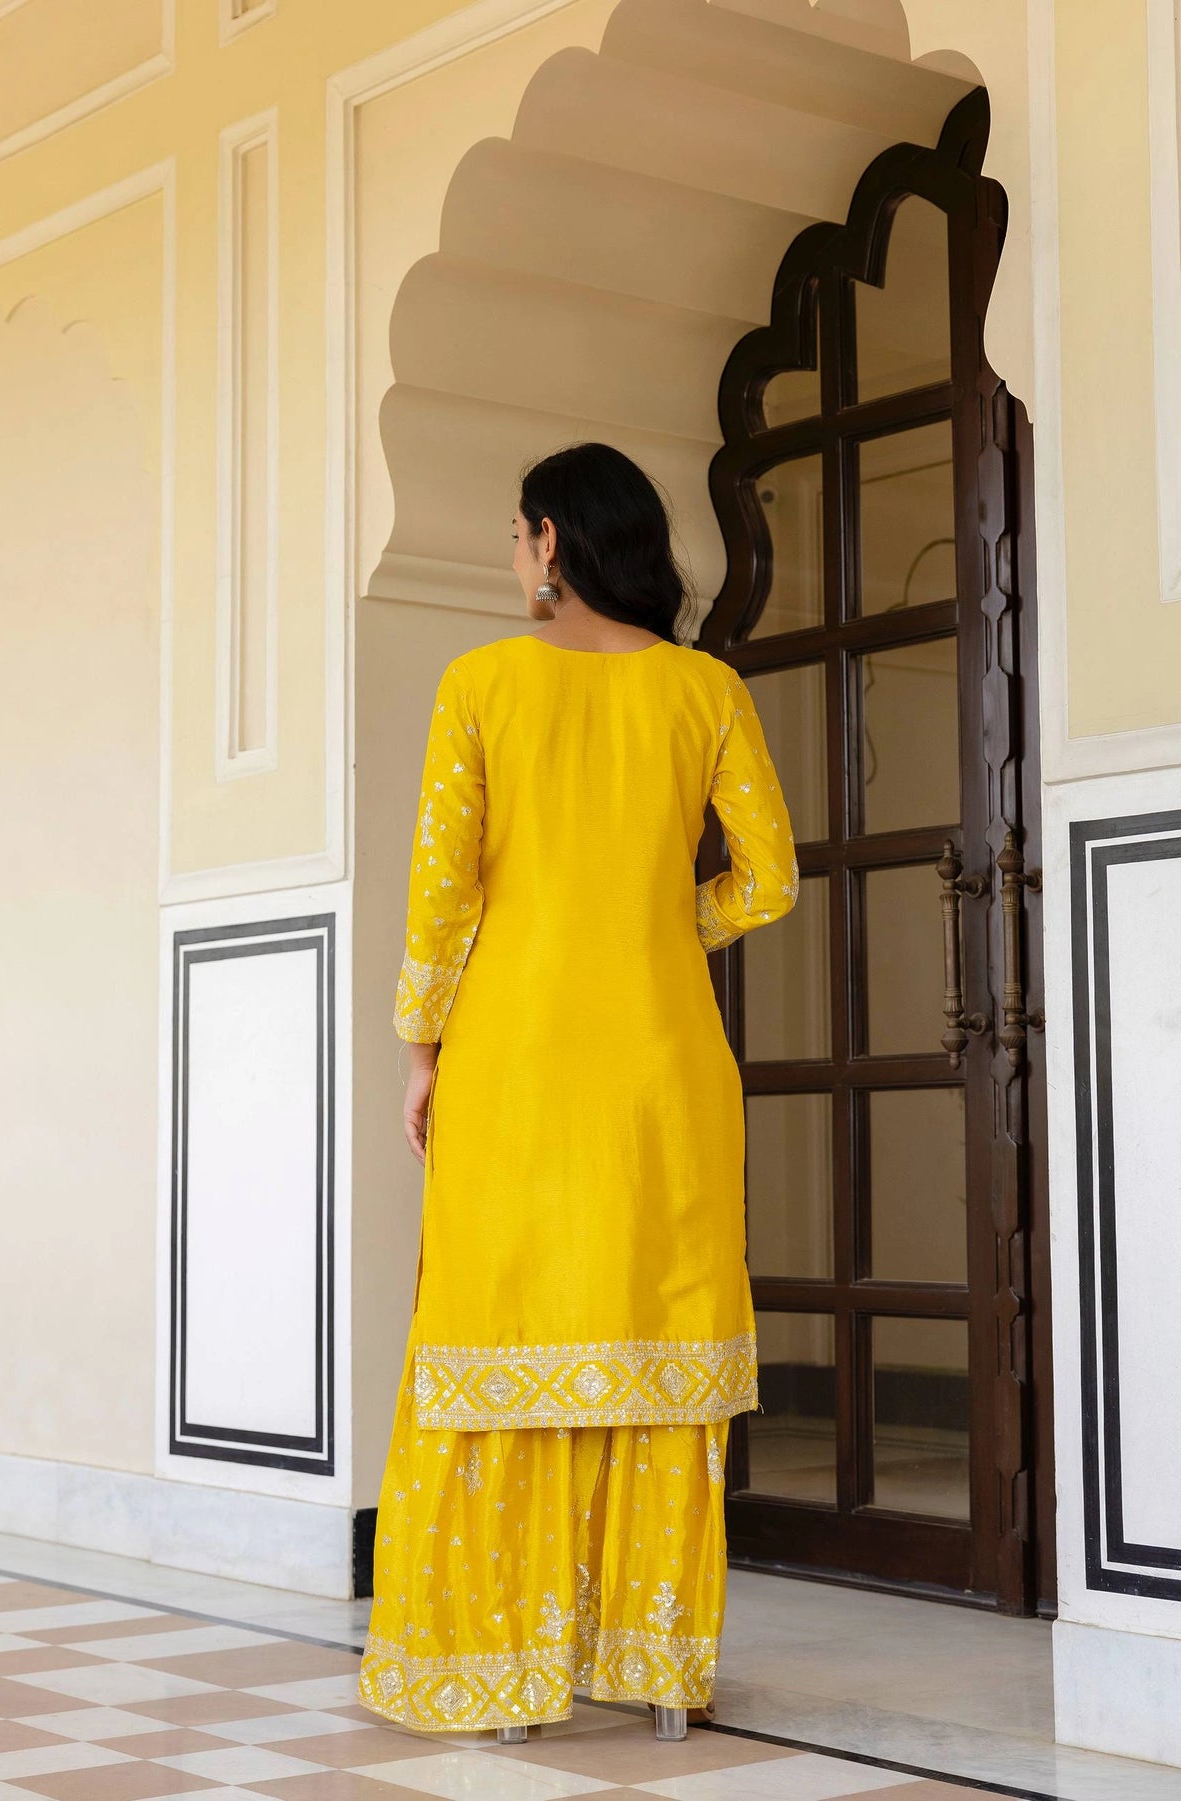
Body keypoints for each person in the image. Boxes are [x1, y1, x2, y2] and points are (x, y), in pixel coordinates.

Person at [358, 441, 798, 1743]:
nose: (511, 555)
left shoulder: (482, 684)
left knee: (502, 1338)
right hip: (665, 1067)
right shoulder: (705, 689)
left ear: (550, 541)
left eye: (513, 533)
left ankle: (503, 1675)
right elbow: (769, 880)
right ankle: (654, 1666)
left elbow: (442, 896)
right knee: (650, 1342)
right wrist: (668, 922)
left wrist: (422, 1047)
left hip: (520, 1062)